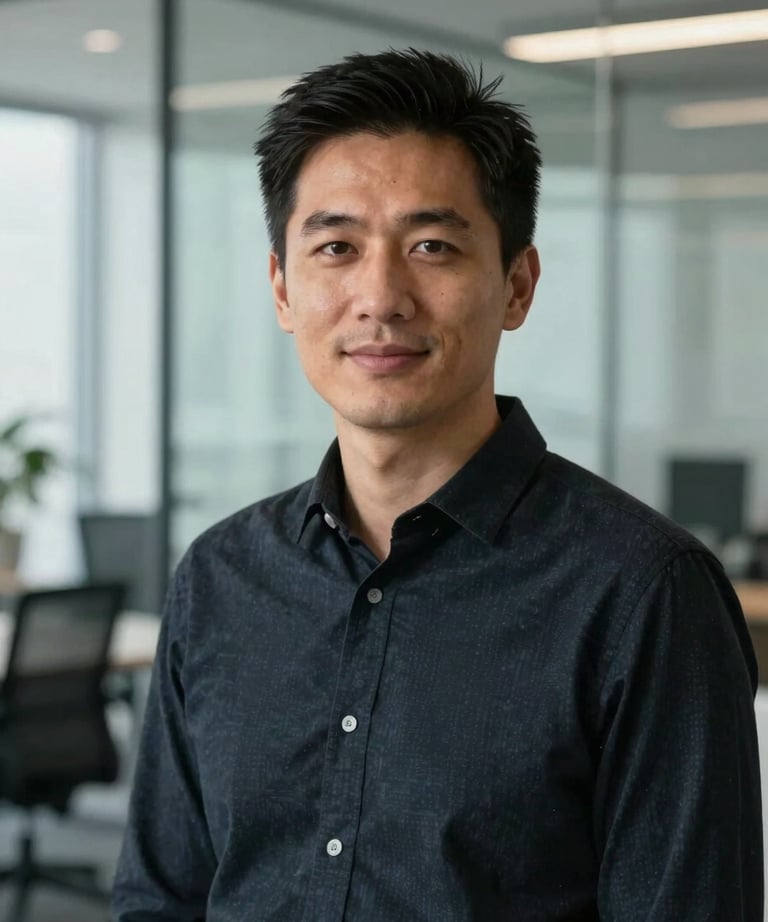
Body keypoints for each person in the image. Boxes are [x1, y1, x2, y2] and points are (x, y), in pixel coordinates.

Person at [112, 49, 762, 921]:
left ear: (516, 286)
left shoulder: (643, 594)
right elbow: (160, 900)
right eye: (336, 247)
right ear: (281, 288)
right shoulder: (221, 579)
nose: (380, 296)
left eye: (432, 246)